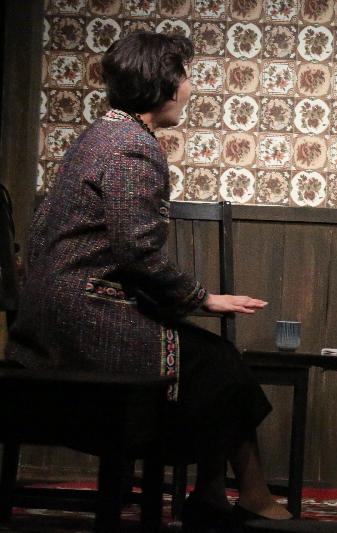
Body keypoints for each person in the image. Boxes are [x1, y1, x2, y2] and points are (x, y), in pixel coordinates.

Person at [5, 31, 291, 532]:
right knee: (220, 365)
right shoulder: (132, 148)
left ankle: (215, 494)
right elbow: (136, 252)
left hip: (52, 315)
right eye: (186, 77)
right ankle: (246, 495)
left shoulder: (99, 135)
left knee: (212, 359)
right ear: (163, 84)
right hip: (81, 321)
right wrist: (203, 299)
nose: (189, 88)